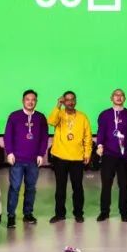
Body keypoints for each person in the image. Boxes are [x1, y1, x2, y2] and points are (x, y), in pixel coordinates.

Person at [4, 89, 49, 228]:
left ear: (36, 101)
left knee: (31, 188)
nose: (30, 102)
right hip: (17, 160)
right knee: (15, 188)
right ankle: (11, 216)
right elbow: (8, 135)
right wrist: (9, 152)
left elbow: (44, 137)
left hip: (33, 161)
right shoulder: (14, 116)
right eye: (28, 99)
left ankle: (28, 214)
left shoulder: (40, 118)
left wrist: (41, 154)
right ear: (23, 101)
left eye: (33, 99)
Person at [47, 91, 93, 223]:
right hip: (60, 157)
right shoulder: (59, 114)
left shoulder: (82, 117)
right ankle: (59, 214)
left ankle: (78, 213)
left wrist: (87, 153)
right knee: (60, 188)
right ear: (63, 101)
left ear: (76, 101)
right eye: (67, 100)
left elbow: (87, 136)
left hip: (77, 158)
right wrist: (58, 105)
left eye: (72, 99)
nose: (70, 102)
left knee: (77, 188)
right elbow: (51, 121)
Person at [96, 89, 127, 223]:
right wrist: (99, 145)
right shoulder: (104, 114)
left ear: (125, 98)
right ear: (111, 98)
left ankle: (124, 212)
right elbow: (101, 132)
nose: (119, 97)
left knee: (124, 186)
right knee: (106, 185)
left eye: (121, 95)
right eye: (116, 95)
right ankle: (104, 212)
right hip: (108, 155)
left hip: (125, 156)